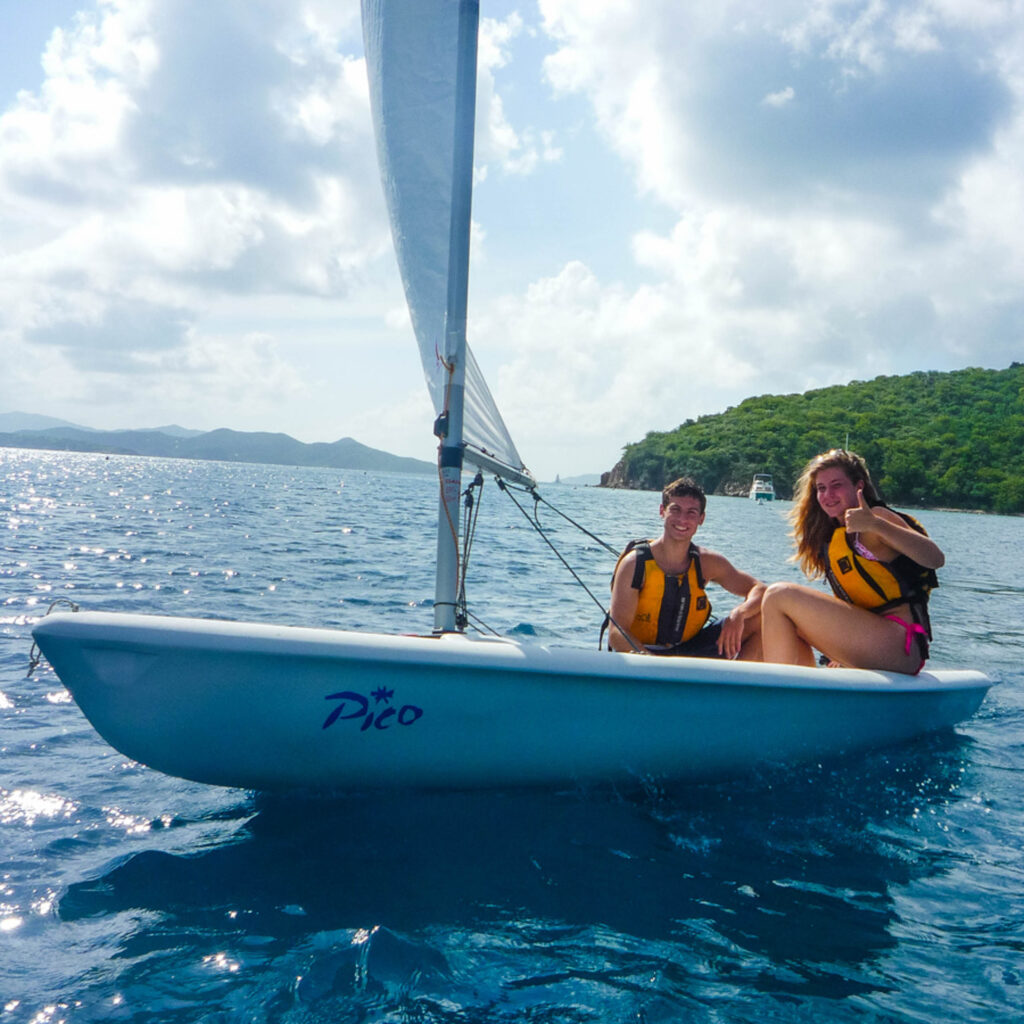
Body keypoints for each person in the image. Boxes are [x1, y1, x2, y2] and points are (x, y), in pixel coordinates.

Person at [761, 449, 942, 673]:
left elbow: (934, 558)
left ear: (859, 486)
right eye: (821, 488)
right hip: (869, 637)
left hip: (900, 643)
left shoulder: (877, 519)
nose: (828, 495)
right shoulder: (833, 533)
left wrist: (875, 525)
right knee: (770, 614)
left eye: (836, 485)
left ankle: (779, 693)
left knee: (779, 596)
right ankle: (803, 689)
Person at [606, 477, 764, 659]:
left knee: (761, 619)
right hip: (644, 653)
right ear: (662, 511)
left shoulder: (707, 562)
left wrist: (739, 614)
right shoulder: (634, 564)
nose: (682, 519)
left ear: (701, 519)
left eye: (691, 512)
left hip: (690, 651)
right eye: (675, 510)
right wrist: (651, 662)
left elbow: (760, 590)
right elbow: (617, 633)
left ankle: (734, 684)